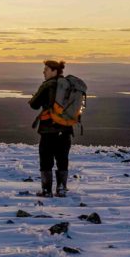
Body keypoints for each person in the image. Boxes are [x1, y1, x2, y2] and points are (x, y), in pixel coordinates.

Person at [29, 59, 74, 197]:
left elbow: (34, 104)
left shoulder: (48, 85)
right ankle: (61, 189)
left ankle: (47, 190)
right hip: (66, 129)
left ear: (54, 71)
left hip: (48, 130)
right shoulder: (69, 86)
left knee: (46, 159)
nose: (44, 72)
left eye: (46, 69)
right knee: (62, 159)